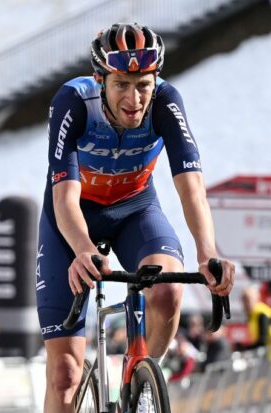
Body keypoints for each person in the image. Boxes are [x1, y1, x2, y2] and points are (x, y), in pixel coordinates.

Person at [35, 23, 235, 412]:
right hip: (73, 220)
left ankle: (141, 383)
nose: (134, 98)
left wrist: (207, 251)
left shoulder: (165, 102)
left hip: (135, 209)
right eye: (122, 84)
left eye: (143, 84)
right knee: (65, 375)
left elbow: (191, 185)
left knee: (167, 291)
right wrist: (81, 249)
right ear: (100, 80)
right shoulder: (74, 102)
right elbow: (64, 196)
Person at [236, 286, 271, 356]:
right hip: (264, 356)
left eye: (248, 300)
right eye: (243, 300)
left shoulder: (262, 314)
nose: (245, 304)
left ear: (257, 299)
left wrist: (245, 348)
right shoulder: (253, 315)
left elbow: (262, 341)